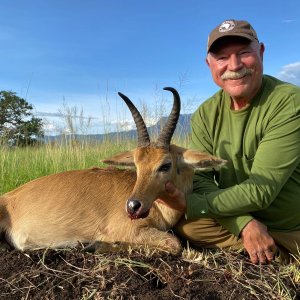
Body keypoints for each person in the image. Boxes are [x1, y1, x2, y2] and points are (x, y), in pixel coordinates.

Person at [158, 19, 300, 264]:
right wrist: (244, 223)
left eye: (244, 53)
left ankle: (280, 250)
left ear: (261, 52)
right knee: (187, 226)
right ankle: (259, 244)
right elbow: (201, 178)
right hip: (234, 216)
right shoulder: (205, 113)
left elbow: (261, 190)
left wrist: (192, 204)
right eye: (222, 58)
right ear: (209, 64)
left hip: (288, 225)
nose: (233, 65)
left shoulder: (289, 103)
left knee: (192, 213)